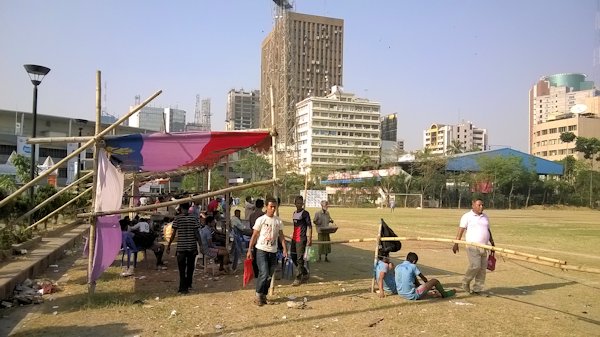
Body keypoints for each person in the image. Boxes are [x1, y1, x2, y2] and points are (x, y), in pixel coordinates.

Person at [246, 198, 288, 306]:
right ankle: (258, 295)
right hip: (261, 250)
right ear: (266, 206)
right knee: (263, 273)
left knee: (269, 274)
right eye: (271, 206)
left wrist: (284, 249)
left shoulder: (278, 221)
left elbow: (281, 236)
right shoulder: (261, 220)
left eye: (275, 207)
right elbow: (254, 235)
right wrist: (250, 249)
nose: (273, 209)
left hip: (273, 251)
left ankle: (263, 296)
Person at [452, 198, 495, 295]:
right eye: (479, 205)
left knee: (482, 269)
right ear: (473, 205)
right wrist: (456, 243)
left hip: (485, 246)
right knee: (475, 265)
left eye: (482, 205)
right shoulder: (467, 216)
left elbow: (488, 230)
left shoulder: (485, 217)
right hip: (472, 246)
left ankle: (477, 289)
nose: (481, 207)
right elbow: (461, 230)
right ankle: (465, 281)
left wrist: (492, 241)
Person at [166, 202, 202, 294]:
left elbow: (173, 233)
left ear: (181, 208)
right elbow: (197, 233)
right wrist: (201, 245)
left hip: (181, 248)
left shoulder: (177, 218)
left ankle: (182, 287)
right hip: (192, 247)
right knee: (190, 267)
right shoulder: (193, 218)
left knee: (182, 269)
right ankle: (189, 284)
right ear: (188, 207)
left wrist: (169, 245)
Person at [290, 195, 312, 286]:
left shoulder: (305, 213)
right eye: (297, 203)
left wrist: (310, 238)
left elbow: (309, 226)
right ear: (295, 203)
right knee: (293, 256)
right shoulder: (294, 213)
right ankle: (305, 272)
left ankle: (298, 278)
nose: (299, 205)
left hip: (301, 238)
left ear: (302, 204)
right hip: (294, 238)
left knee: (299, 258)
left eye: (301, 203)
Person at [247, 199, 265, 278]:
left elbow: (251, 226)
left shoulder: (252, 215)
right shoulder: (264, 215)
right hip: (262, 237)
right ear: (263, 205)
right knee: (262, 255)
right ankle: (262, 271)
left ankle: (256, 272)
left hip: (254, 236)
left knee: (255, 253)